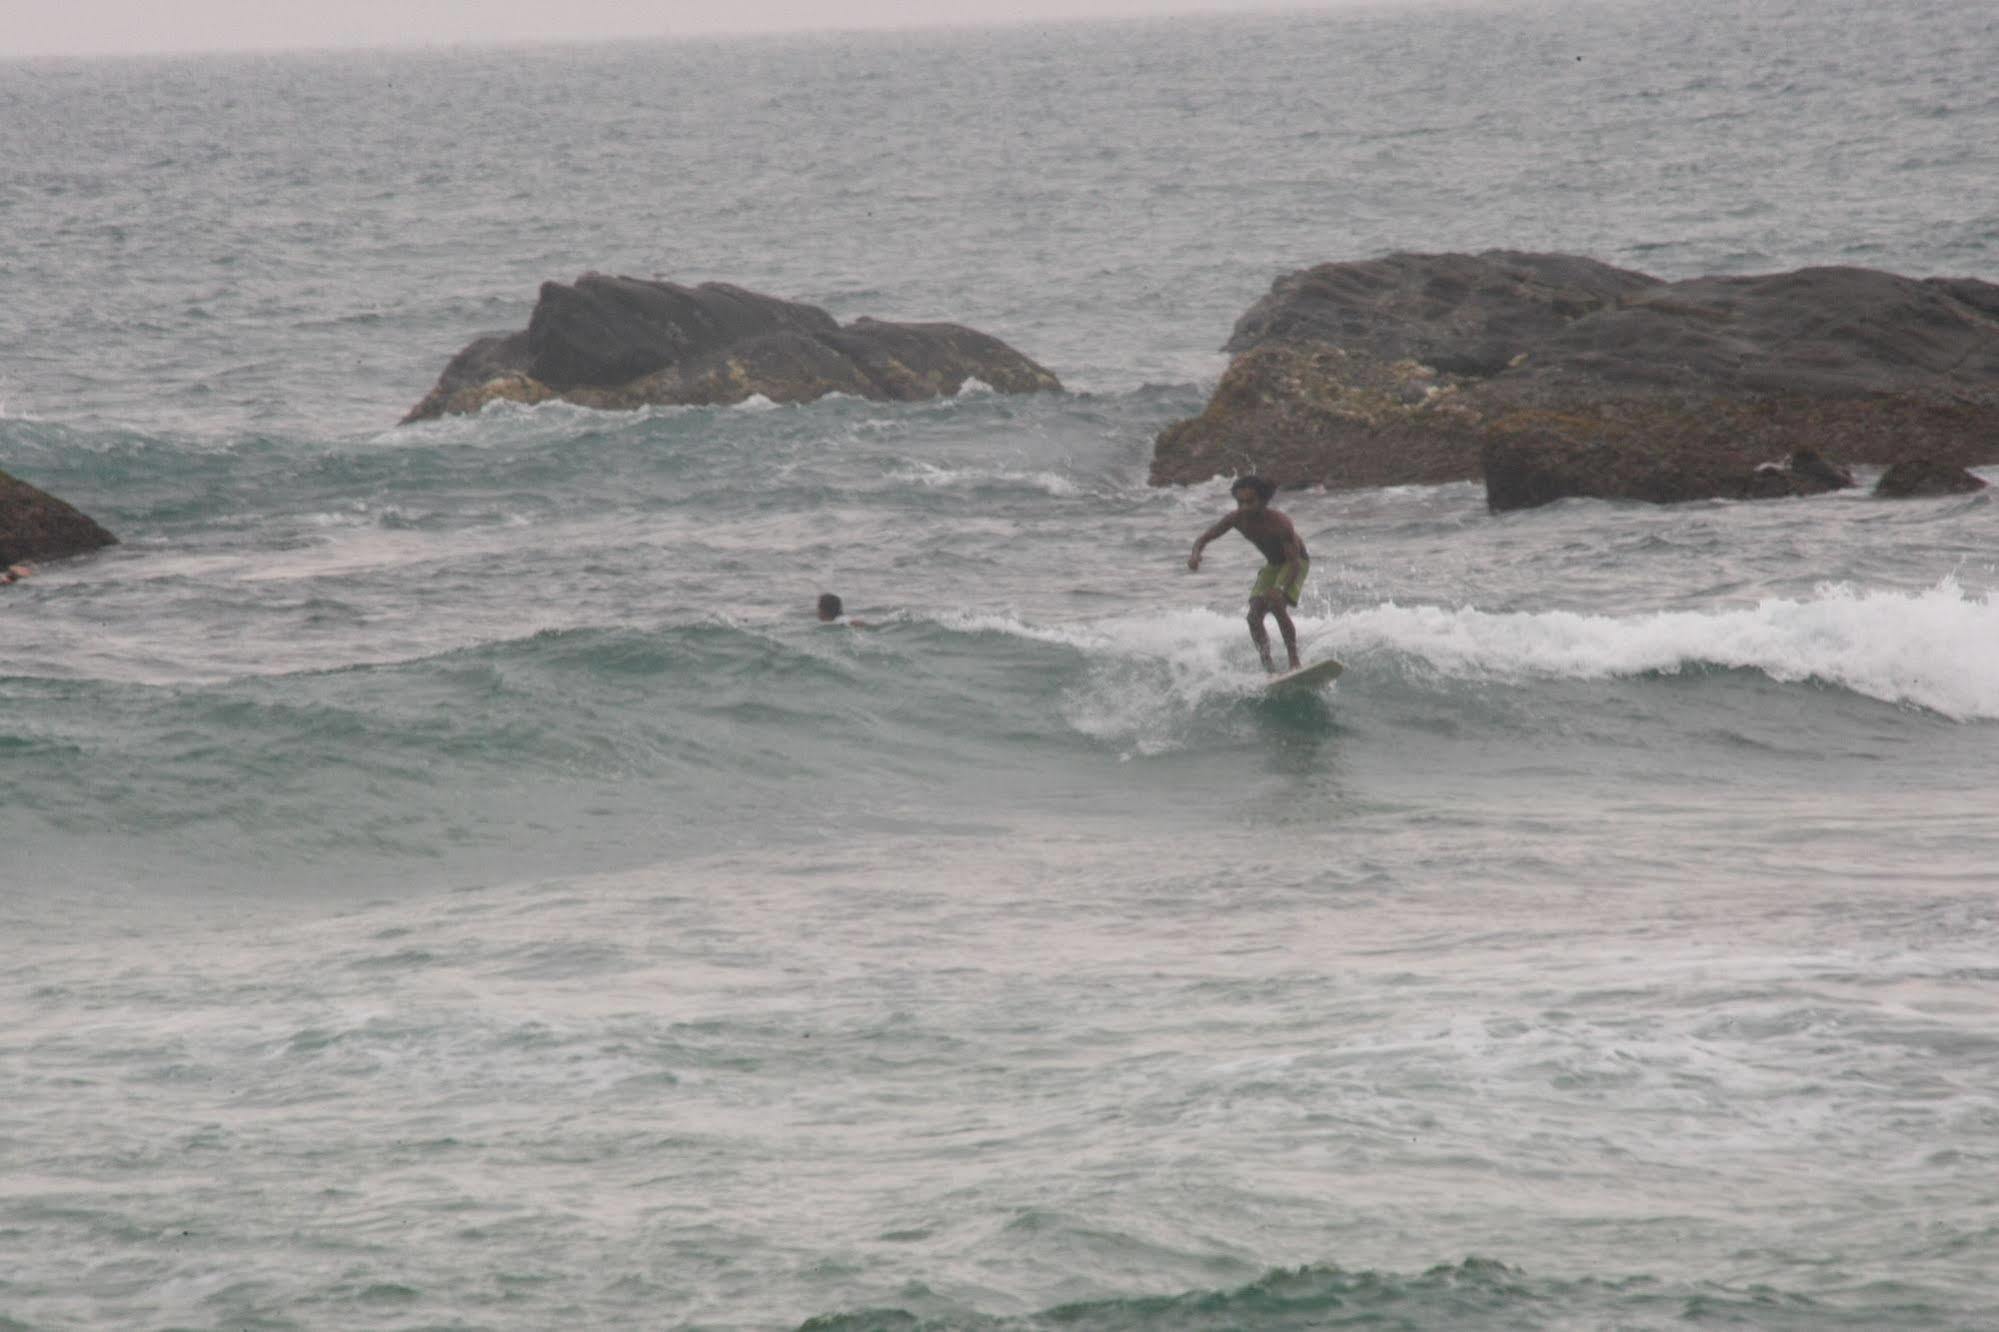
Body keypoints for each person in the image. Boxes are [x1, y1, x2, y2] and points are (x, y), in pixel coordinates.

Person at [1187, 476, 1309, 672]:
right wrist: (1195, 555)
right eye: (1239, 502)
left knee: (1276, 604)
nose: (1244, 507)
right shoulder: (1236, 519)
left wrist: (1280, 589)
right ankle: (1269, 669)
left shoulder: (1280, 523)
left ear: (1263, 500)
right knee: (1253, 617)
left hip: (1294, 563)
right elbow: (1204, 538)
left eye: (1249, 502)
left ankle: (1294, 662)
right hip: (1273, 565)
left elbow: (1294, 564)